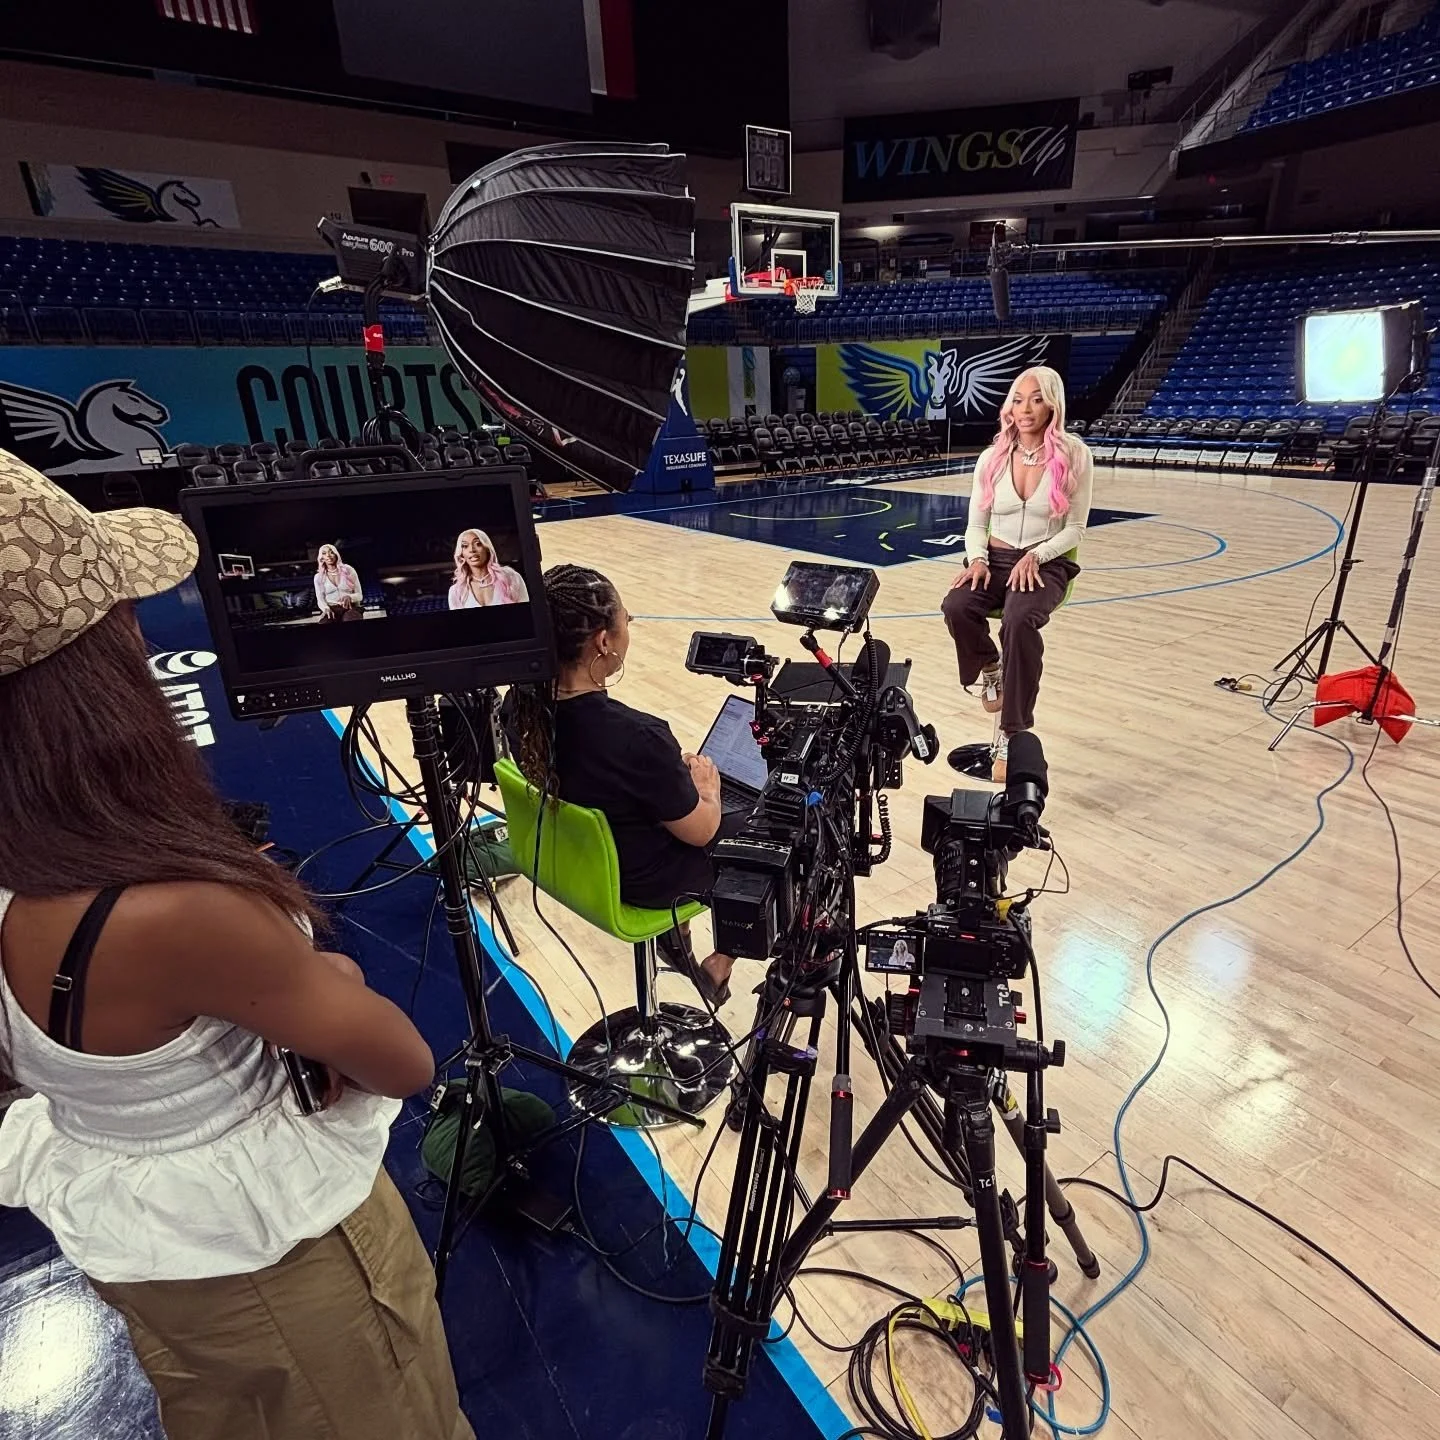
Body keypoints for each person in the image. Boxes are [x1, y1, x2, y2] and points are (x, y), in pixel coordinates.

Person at [0, 452, 472, 1440]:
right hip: (278, 1267)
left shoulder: (34, 868)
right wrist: (330, 972)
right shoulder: (175, 910)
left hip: (149, 1251)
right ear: (90, 676)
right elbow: (402, 1060)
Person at [506, 564, 736, 1004]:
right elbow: (702, 830)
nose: (628, 624)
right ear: (603, 642)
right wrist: (707, 788)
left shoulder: (518, 706)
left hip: (577, 863)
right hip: (643, 883)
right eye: (625, 618)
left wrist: (664, 780)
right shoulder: (639, 738)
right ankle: (720, 963)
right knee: (781, 832)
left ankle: (677, 936)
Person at [940, 366, 1092, 783]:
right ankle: (990, 666)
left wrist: (1038, 556)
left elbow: (1076, 528)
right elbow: (976, 525)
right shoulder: (991, 458)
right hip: (994, 558)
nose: (1025, 409)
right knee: (956, 606)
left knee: (1019, 620)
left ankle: (1013, 731)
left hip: (1046, 562)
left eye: (1037, 399)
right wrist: (977, 559)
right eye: (1018, 399)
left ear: (1052, 406)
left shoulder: (1075, 454)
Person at [447, 528, 529, 608]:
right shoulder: (455, 592)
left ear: (487, 549)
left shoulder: (511, 577)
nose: (472, 550)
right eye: (465, 546)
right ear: (461, 554)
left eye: (478, 544)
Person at [313, 541, 364, 621]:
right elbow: (320, 600)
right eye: (324, 553)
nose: (328, 555)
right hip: (332, 609)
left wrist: (350, 597)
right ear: (321, 558)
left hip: (350, 608)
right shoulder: (318, 577)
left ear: (336, 554)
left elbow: (359, 595)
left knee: (350, 619)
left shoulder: (348, 569)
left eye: (331, 552)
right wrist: (326, 608)